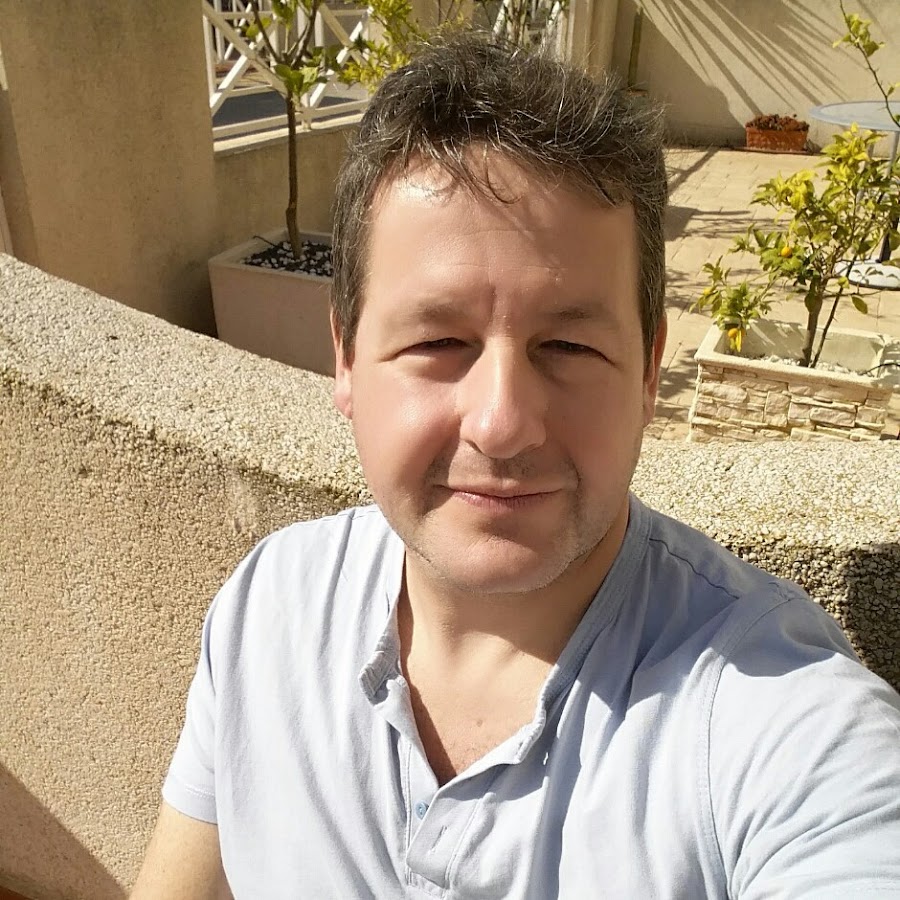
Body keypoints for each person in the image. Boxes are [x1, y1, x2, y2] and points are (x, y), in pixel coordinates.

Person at [131, 34, 900, 899]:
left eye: (568, 346)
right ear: (345, 358)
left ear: (649, 372)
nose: (501, 424)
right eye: (438, 342)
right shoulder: (270, 609)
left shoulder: (775, 719)